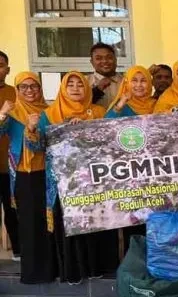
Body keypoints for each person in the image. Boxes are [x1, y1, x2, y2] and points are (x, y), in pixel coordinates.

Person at [25, 72, 119, 285]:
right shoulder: (48, 115)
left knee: (96, 222)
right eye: (71, 85)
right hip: (62, 182)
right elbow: (37, 147)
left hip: (94, 180)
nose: (76, 88)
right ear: (63, 89)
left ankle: (99, 267)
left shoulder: (97, 111)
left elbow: (109, 141)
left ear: (87, 89)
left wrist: (85, 127)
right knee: (69, 226)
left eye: (80, 85)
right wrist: (31, 129)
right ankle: (73, 271)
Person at [0, 72, 53, 283]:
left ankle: (51, 269)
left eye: (34, 86)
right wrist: (2, 114)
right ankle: (33, 274)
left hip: (48, 174)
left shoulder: (48, 113)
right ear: (18, 89)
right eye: (24, 87)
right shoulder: (13, 113)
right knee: (29, 224)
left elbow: (44, 146)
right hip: (24, 175)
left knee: (48, 223)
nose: (30, 91)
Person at [0, 51, 19, 260]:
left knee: (13, 210)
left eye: (0, 65)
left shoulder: (16, 93)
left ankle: (19, 252)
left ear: (7, 69)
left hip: (11, 165)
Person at [88, 43, 123, 109]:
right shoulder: (83, 83)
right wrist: (98, 89)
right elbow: (80, 105)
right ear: (92, 62)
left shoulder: (127, 82)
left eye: (109, 57)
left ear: (115, 60)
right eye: (98, 58)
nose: (104, 61)